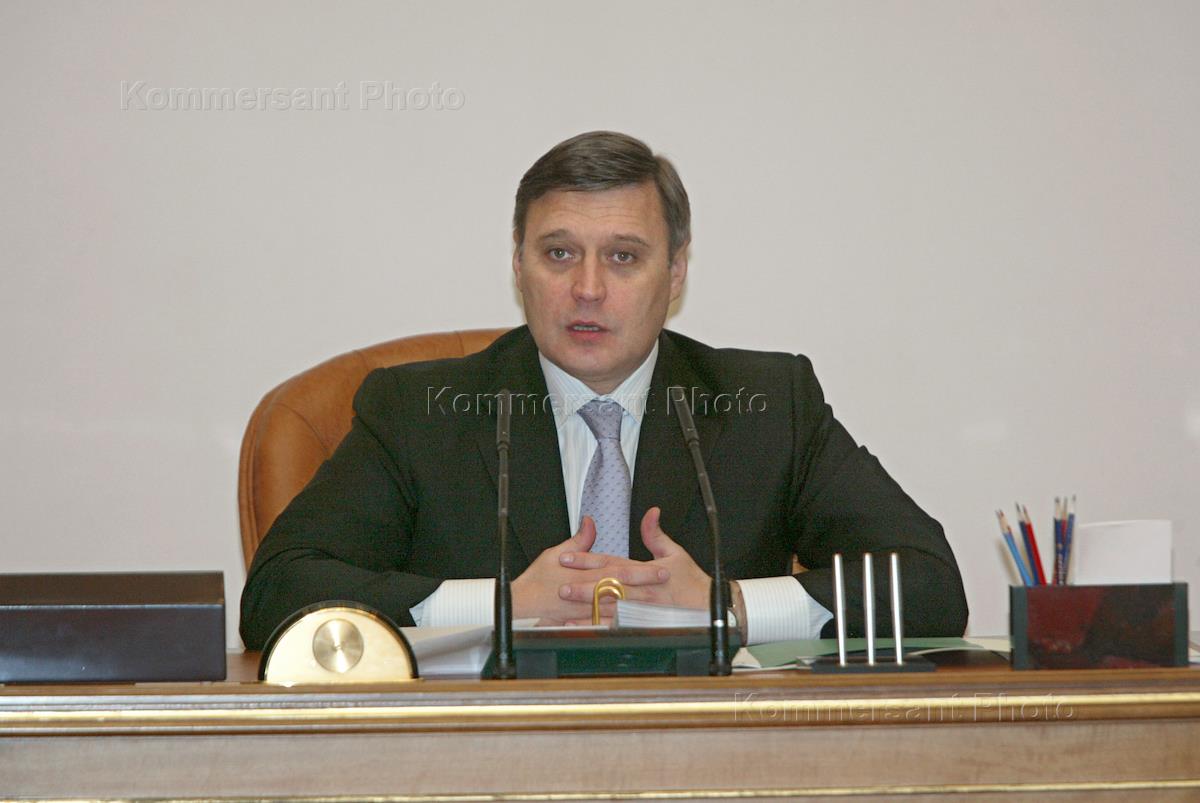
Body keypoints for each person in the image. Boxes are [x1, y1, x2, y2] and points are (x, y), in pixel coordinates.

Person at [239, 131, 968, 650]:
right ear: (518, 266)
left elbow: (931, 584)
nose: (587, 288)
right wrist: (499, 606)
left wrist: (728, 605)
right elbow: (276, 593)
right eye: (559, 253)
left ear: (675, 274)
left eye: (623, 257)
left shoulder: (767, 405)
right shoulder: (419, 412)